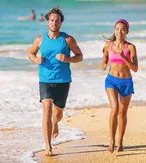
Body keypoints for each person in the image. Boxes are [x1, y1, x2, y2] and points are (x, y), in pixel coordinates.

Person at [27, 6, 84, 156]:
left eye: (57, 21)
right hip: (45, 79)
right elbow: (30, 53)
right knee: (46, 110)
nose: (54, 23)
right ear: (47, 22)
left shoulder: (67, 40)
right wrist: (35, 59)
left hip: (63, 80)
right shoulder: (40, 39)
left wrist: (68, 59)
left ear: (60, 23)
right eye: (51, 20)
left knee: (57, 114)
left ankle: (56, 123)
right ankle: (48, 146)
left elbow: (80, 56)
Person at [100, 19, 138, 153]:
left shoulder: (130, 47)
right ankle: (111, 141)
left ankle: (120, 141)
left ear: (127, 31)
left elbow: (135, 68)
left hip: (126, 82)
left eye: (122, 29)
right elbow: (104, 58)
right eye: (117, 29)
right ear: (114, 30)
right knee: (114, 108)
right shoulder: (108, 45)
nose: (119, 32)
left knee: (122, 113)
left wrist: (124, 57)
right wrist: (104, 65)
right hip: (111, 81)